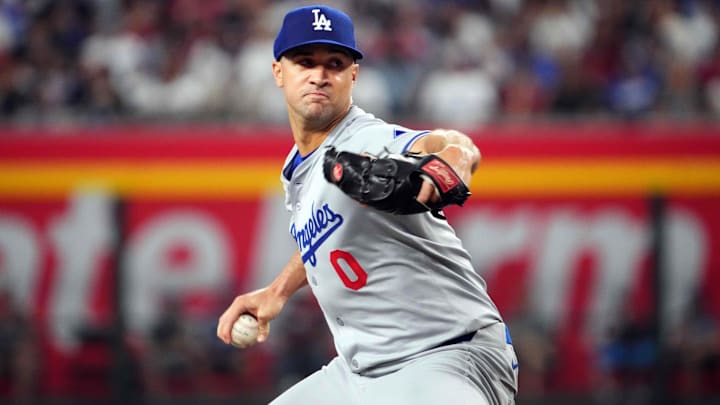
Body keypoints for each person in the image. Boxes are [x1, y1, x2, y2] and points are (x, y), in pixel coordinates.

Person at [216, 5, 518, 404]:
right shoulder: (296, 169)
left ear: (353, 76)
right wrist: (276, 292)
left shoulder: (365, 141)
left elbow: (452, 145)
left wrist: (454, 162)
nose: (320, 75)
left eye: (335, 64)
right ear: (278, 72)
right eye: (305, 62)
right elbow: (328, 236)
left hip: (446, 354)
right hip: (359, 372)